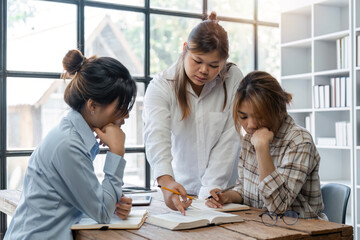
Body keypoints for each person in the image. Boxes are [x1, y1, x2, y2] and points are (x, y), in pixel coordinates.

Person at [4, 49, 137, 240]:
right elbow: (102, 213)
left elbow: (84, 201)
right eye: (121, 107)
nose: (126, 116)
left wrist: (111, 200)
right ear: (92, 106)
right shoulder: (69, 144)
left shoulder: (71, 134)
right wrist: (117, 152)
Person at [143, 12, 243, 214]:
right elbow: (157, 136)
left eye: (214, 65)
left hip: (222, 195)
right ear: (184, 50)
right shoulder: (161, 86)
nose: (204, 70)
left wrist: (210, 192)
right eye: (197, 61)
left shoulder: (232, 78)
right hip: (180, 192)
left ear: (224, 62)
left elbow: (229, 138)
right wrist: (166, 182)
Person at [206, 71, 326, 220]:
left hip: (301, 230)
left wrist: (262, 149)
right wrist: (227, 197)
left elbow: (277, 207)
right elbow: (245, 190)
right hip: (261, 225)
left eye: (259, 117)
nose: (250, 125)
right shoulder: (250, 138)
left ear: (279, 110)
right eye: (243, 117)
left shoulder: (299, 141)